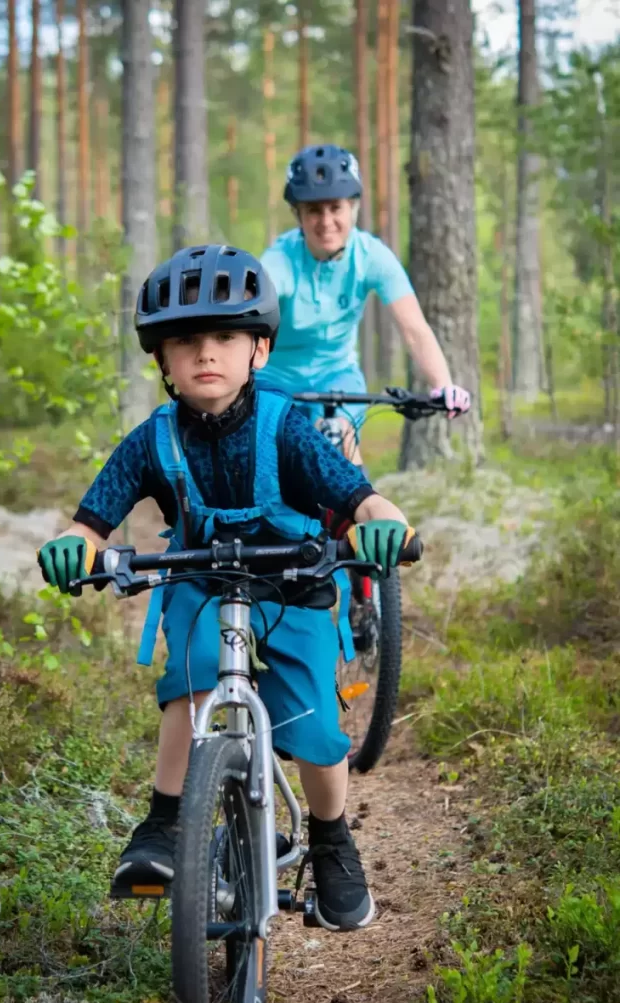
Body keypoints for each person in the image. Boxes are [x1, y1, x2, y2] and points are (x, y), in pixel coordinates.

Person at [36, 244, 421, 933]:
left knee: (317, 730)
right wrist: (77, 547)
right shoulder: (152, 440)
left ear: (259, 352)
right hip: (202, 585)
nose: (204, 353)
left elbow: (357, 495)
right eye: (185, 341)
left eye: (224, 338)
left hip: (293, 587)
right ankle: (162, 826)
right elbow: (93, 520)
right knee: (189, 683)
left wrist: (383, 523)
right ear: (163, 360)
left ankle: (331, 840)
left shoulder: (285, 428)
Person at [259, 144, 471, 460]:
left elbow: (414, 329)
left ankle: (358, 508)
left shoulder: (372, 257)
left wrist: (444, 384)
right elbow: (246, 320)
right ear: (298, 215)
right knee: (264, 460)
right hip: (272, 378)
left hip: (336, 375)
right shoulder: (279, 261)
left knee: (338, 439)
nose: (326, 220)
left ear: (353, 208)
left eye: (335, 208)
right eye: (314, 210)